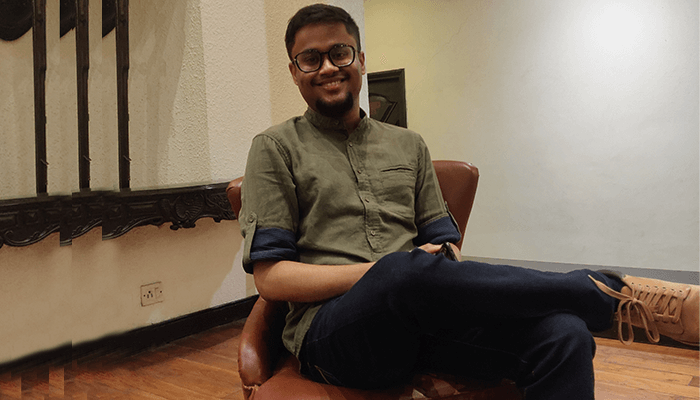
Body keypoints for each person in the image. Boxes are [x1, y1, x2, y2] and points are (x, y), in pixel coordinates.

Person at [239, 4, 699, 399]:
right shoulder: (275, 148)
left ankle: (592, 301)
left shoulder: (408, 145)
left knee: (565, 335)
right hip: (334, 335)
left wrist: (427, 274)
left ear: (360, 59)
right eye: (310, 58)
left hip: (421, 322)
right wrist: (382, 272)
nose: (327, 67)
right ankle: (604, 293)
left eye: (339, 52)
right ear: (294, 72)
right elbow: (271, 278)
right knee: (402, 271)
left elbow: (445, 248)